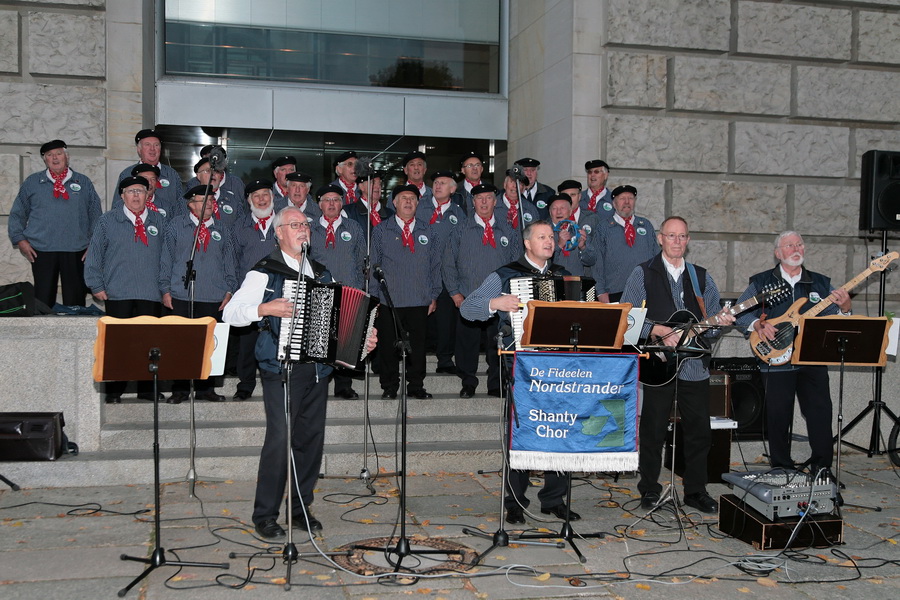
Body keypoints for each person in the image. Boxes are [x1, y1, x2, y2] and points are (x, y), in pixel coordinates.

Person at [223, 206, 377, 539]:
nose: (303, 229)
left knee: (310, 441)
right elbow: (230, 313)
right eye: (294, 225)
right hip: (281, 369)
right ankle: (265, 514)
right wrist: (264, 308)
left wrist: (361, 341)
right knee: (280, 441)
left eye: (305, 224)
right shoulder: (264, 272)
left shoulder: (322, 273)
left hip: (317, 371)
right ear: (279, 233)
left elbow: (337, 326)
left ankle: (299, 508)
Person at [459, 220, 578, 524]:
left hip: (560, 366)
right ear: (527, 243)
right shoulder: (505, 275)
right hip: (523, 364)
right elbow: (468, 308)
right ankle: (515, 501)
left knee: (560, 430)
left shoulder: (564, 276)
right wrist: (494, 302)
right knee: (521, 432)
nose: (549, 241)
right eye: (542, 237)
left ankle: (554, 498)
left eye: (551, 237)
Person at [620, 216, 734, 514]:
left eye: (682, 236)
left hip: (694, 367)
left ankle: (695, 491)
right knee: (653, 430)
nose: (677, 241)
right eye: (671, 236)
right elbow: (628, 318)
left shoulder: (701, 277)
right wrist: (657, 330)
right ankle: (649, 489)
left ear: (688, 240)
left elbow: (711, 325)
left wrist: (719, 324)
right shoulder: (643, 273)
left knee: (699, 431)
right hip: (658, 365)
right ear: (660, 238)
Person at [735, 231, 850, 474]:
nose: (796, 249)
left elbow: (835, 319)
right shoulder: (761, 282)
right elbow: (740, 313)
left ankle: (822, 469)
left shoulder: (820, 283)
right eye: (789, 245)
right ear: (778, 253)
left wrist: (845, 309)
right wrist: (757, 325)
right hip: (775, 360)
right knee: (778, 416)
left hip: (812, 359)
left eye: (799, 244)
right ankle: (781, 468)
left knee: (820, 413)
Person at [84, 176, 165, 403]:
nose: (136, 195)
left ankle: (147, 389)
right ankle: (114, 391)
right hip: (118, 292)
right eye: (131, 191)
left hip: (150, 293)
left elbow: (167, 257)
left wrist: (166, 288)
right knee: (118, 344)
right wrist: (95, 284)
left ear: (148, 195)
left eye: (140, 191)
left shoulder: (159, 220)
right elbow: (94, 254)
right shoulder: (107, 221)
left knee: (149, 344)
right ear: (122, 195)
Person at [159, 185, 237, 403]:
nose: (209, 204)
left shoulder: (222, 229)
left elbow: (230, 262)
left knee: (210, 344)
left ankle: (206, 388)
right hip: (182, 294)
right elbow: (166, 259)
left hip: (213, 295)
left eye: (211, 200)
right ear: (191, 204)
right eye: (203, 201)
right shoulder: (176, 226)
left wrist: (230, 289)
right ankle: (180, 389)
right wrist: (165, 289)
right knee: (180, 343)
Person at [443, 183, 518, 398]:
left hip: (499, 300)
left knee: (498, 344)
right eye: (479, 198)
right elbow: (448, 262)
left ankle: (496, 384)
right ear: (473, 202)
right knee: (467, 345)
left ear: (495, 202)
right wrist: (454, 292)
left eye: (488, 198)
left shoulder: (508, 230)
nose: (484, 202)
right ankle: (468, 382)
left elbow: (516, 265)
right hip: (468, 297)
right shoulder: (460, 230)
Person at [8, 139, 101, 308]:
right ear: (45, 160)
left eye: (59, 153)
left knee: (75, 303)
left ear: (67, 156)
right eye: (50, 155)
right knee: (42, 302)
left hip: (76, 249)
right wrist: (20, 239)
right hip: (41, 249)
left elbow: (95, 214)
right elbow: (17, 213)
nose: (55, 158)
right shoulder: (32, 182)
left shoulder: (83, 182)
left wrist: (94, 244)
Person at [370, 184, 441, 400]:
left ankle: (416, 385)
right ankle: (389, 386)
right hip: (389, 299)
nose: (408, 201)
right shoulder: (381, 230)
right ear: (394, 202)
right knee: (388, 346)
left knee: (417, 346)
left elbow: (435, 265)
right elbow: (374, 264)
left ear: (418, 203)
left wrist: (434, 294)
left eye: (412, 198)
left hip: (420, 298)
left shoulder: (428, 230)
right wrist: (375, 296)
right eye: (403, 198)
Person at [308, 184, 367, 399]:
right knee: (321, 341)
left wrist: (359, 288)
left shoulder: (353, 227)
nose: (331, 204)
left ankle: (344, 386)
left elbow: (362, 259)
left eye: (335, 200)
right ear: (319, 204)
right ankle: (319, 383)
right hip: (321, 293)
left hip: (349, 292)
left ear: (341, 204)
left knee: (345, 342)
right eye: (327, 200)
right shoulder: (310, 228)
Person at [229, 179, 279, 401]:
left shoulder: (284, 222)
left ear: (272, 197)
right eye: (256, 196)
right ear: (249, 201)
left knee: (277, 341)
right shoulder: (239, 226)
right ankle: (245, 385)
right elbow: (232, 261)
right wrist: (233, 291)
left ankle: (277, 384)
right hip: (249, 295)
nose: (261, 199)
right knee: (247, 344)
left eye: (265, 194)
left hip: (278, 294)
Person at [418, 170, 467, 375]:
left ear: (453, 189)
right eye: (436, 182)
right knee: (421, 316)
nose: (437, 186)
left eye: (443, 183)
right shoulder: (420, 207)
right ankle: (418, 357)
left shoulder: (459, 213)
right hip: (422, 272)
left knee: (446, 318)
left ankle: (445, 359)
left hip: (447, 273)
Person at [593, 185, 659, 302]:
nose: (627, 202)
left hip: (645, 291)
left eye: (630, 198)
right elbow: (597, 262)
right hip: (615, 291)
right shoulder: (603, 227)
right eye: (622, 198)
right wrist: (601, 291)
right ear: (614, 203)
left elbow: (656, 258)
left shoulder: (646, 225)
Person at [114, 129, 184, 218]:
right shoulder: (127, 174)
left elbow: (181, 207)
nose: (152, 149)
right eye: (147, 145)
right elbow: (116, 206)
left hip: (167, 225)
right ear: (139, 150)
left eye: (156, 145)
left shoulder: (172, 175)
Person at [546, 191, 597, 278]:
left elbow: (591, 261)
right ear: (550, 213)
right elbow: (541, 261)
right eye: (554, 208)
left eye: (563, 208)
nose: (559, 212)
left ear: (570, 212)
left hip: (577, 282)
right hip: (553, 281)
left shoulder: (578, 231)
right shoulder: (543, 233)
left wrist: (583, 247)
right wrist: (559, 245)